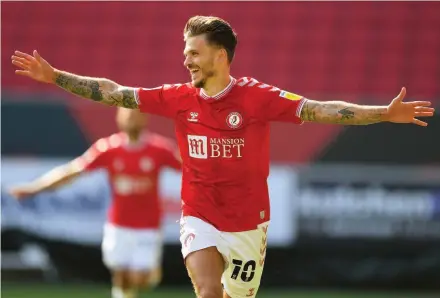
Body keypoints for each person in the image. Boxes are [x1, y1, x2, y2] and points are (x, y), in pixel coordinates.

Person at [11, 15, 434, 298]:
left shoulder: (258, 97)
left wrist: (383, 113)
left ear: (220, 55)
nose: (186, 60)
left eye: (194, 52)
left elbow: (321, 109)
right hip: (198, 214)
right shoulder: (177, 98)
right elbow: (114, 91)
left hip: (249, 222)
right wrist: (56, 77)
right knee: (210, 293)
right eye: (185, 52)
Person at [9, 107, 181, 298]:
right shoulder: (108, 148)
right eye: (128, 115)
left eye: (136, 115)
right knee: (121, 275)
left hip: (148, 227)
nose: (132, 119)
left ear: (144, 119)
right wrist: (35, 188)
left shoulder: (159, 149)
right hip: (119, 224)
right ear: (119, 118)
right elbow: (71, 171)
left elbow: (190, 169)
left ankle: (151, 274)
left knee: (139, 277)